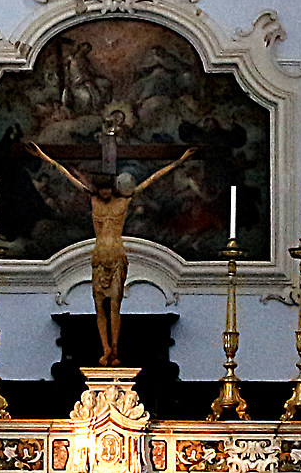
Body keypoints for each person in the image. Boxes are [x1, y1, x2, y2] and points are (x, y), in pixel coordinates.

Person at [29, 142, 193, 365]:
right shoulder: (93, 199)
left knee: (115, 306)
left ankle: (114, 349)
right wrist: (43, 156)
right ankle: (105, 348)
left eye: (108, 189)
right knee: (99, 307)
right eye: (102, 189)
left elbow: (152, 179)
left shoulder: (124, 201)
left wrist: (179, 161)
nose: (105, 193)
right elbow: (68, 175)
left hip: (116, 256)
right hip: (99, 257)